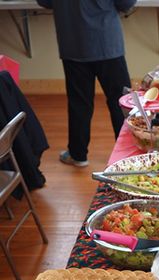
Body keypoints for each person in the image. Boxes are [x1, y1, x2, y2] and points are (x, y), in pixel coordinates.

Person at [36, 0, 136, 167]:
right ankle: (128, 154)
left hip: (73, 44)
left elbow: (44, 1)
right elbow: (126, 3)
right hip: (107, 43)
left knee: (79, 103)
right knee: (121, 102)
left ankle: (78, 154)